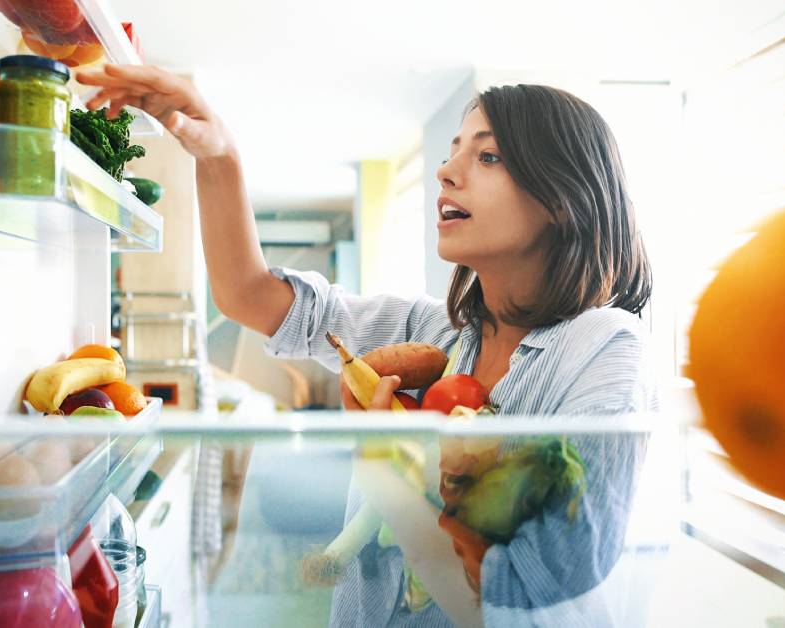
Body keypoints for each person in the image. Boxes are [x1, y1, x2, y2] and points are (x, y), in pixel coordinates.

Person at [78, 65, 656, 627]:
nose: (447, 170)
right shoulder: (432, 334)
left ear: (562, 197)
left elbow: (523, 598)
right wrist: (218, 153)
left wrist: (383, 462)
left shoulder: (605, 351)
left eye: (487, 155)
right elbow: (249, 295)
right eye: (454, 149)